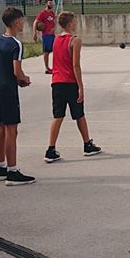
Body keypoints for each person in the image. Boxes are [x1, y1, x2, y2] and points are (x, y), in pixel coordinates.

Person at [45, 11, 102, 163]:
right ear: (70, 24)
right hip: (70, 82)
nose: (76, 24)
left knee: (58, 115)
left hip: (56, 82)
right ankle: (87, 144)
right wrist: (80, 86)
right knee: (79, 114)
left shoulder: (56, 39)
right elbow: (75, 65)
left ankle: (50, 149)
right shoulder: (75, 41)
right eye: (74, 22)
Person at [0, 8, 36, 185]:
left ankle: (0, 166)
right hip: (7, 92)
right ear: (16, 22)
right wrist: (24, 79)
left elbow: (4, 69)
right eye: (22, 20)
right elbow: (16, 70)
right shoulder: (15, 44)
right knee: (12, 130)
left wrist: (17, 79)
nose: (23, 23)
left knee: (2, 128)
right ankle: (12, 171)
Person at [32, 0, 57, 74]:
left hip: (52, 35)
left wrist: (53, 28)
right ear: (46, 4)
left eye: (52, 3)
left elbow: (53, 22)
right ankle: (47, 68)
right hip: (46, 35)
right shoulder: (43, 13)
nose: (51, 4)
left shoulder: (52, 13)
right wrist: (34, 33)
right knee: (46, 52)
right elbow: (35, 22)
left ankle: (55, 67)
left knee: (55, 51)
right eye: (49, 3)